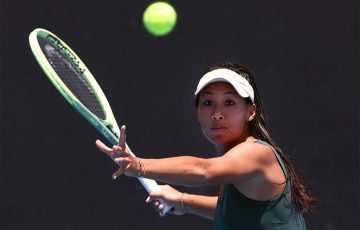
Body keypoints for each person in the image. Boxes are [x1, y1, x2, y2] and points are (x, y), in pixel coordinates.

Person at [96, 63, 316, 229]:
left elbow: (203, 171)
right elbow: (231, 212)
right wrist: (182, 201)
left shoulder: (257, 153)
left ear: (251, 111)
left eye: (229, 103)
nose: (217, 114)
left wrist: (139, 166)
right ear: (197, 113)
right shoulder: (238, 168)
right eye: (208, 103)